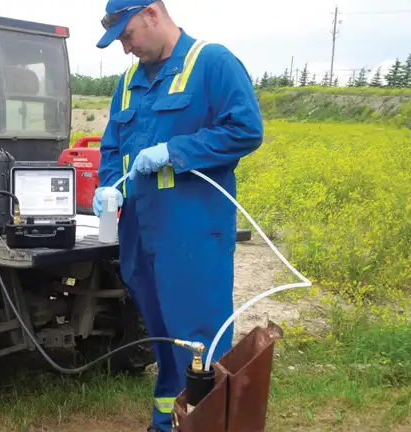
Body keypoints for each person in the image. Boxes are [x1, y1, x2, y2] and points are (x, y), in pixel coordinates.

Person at [91, 1, 264, 431]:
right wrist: (108, 186)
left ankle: (209, 422)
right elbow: (113, 144)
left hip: (191, 232)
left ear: (152, 13)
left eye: (127, 36)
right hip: (139, 233)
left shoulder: (212, 63)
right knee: (164, 337)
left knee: (199, 338)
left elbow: (246, 130)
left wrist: (176, 151)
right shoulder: (129, 80)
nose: (126, 50)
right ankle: (167, 421)